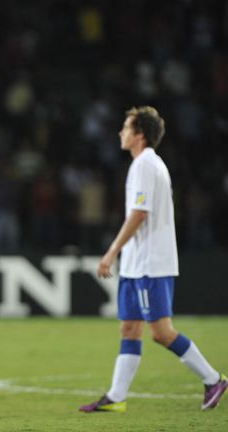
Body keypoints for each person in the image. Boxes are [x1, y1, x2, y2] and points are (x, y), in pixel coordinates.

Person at [79, 107, 227, 413]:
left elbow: (139, 214)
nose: (121, 132)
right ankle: (116, 397)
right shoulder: (142, 165)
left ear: (140, 135)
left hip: (150, 262)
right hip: (137, 264)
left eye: (126, 127)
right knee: (129, 329)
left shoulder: (146, 165)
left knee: (160, 332)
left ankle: (214, 379)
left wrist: (111, 252)